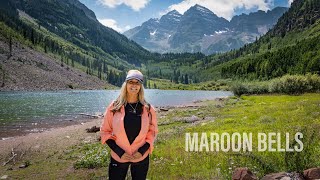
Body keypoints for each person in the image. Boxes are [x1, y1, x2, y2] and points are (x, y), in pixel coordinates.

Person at [100, 70, 158, 180]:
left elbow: (152, 132)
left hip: (141, 157)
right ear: (126, 84)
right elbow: (105, 131)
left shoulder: (148, 109)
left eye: (137, 83)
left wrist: (142, 151)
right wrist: (119, 151)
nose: (134, 85)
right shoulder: (114, 106)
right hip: (118, 157)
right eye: (131, 82)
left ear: (141, 86)